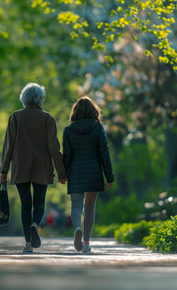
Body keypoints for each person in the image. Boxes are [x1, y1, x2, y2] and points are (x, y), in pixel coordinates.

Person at [0, 83, 67, 253]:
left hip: (20, 165)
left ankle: (28, 244)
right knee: (39, 202)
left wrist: (4, 170)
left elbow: (9, 146)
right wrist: (61, 172)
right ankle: (35, 224)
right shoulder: (48, 119)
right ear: (40, 99)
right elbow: (53, 148)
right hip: (41, 166)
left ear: (24, 99)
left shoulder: (15, 117)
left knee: (25, 204)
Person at [63, 96, 114, 253]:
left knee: (76, 205)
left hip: (75, 172)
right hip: (93, 172)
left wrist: (62, 174)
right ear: (94, 110)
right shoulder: (98, 128)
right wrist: (109, 176)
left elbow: (66, 155)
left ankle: (77, 227)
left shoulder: (68, 130)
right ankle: (86, 242)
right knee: (90, 206)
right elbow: (104, 152)